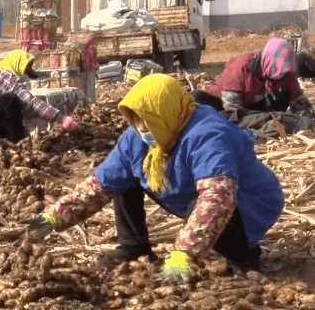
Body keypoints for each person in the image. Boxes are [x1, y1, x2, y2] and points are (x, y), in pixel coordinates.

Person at [30, 74, 283, 280]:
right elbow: (100, 186)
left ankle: (245, 254)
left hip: (248, 203)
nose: (141, 129)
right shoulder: (136, 139)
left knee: (207, 210)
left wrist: (184, 252)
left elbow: (217, 198)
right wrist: (52, 218)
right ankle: (133, 247)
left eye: (147, 121)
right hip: (192, 192)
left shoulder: (207, 134)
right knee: (124, 175)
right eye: (136, 121)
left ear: (165, 113)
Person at [194, 37, 312, 117]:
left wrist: (304, 119)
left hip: (257, 111)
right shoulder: (242, 67)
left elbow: (300, 103)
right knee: (197, 97)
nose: (279, 73)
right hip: (225, 108)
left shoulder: (286, 72)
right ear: (268, 59)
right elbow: (233, 111)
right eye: (275, 67)